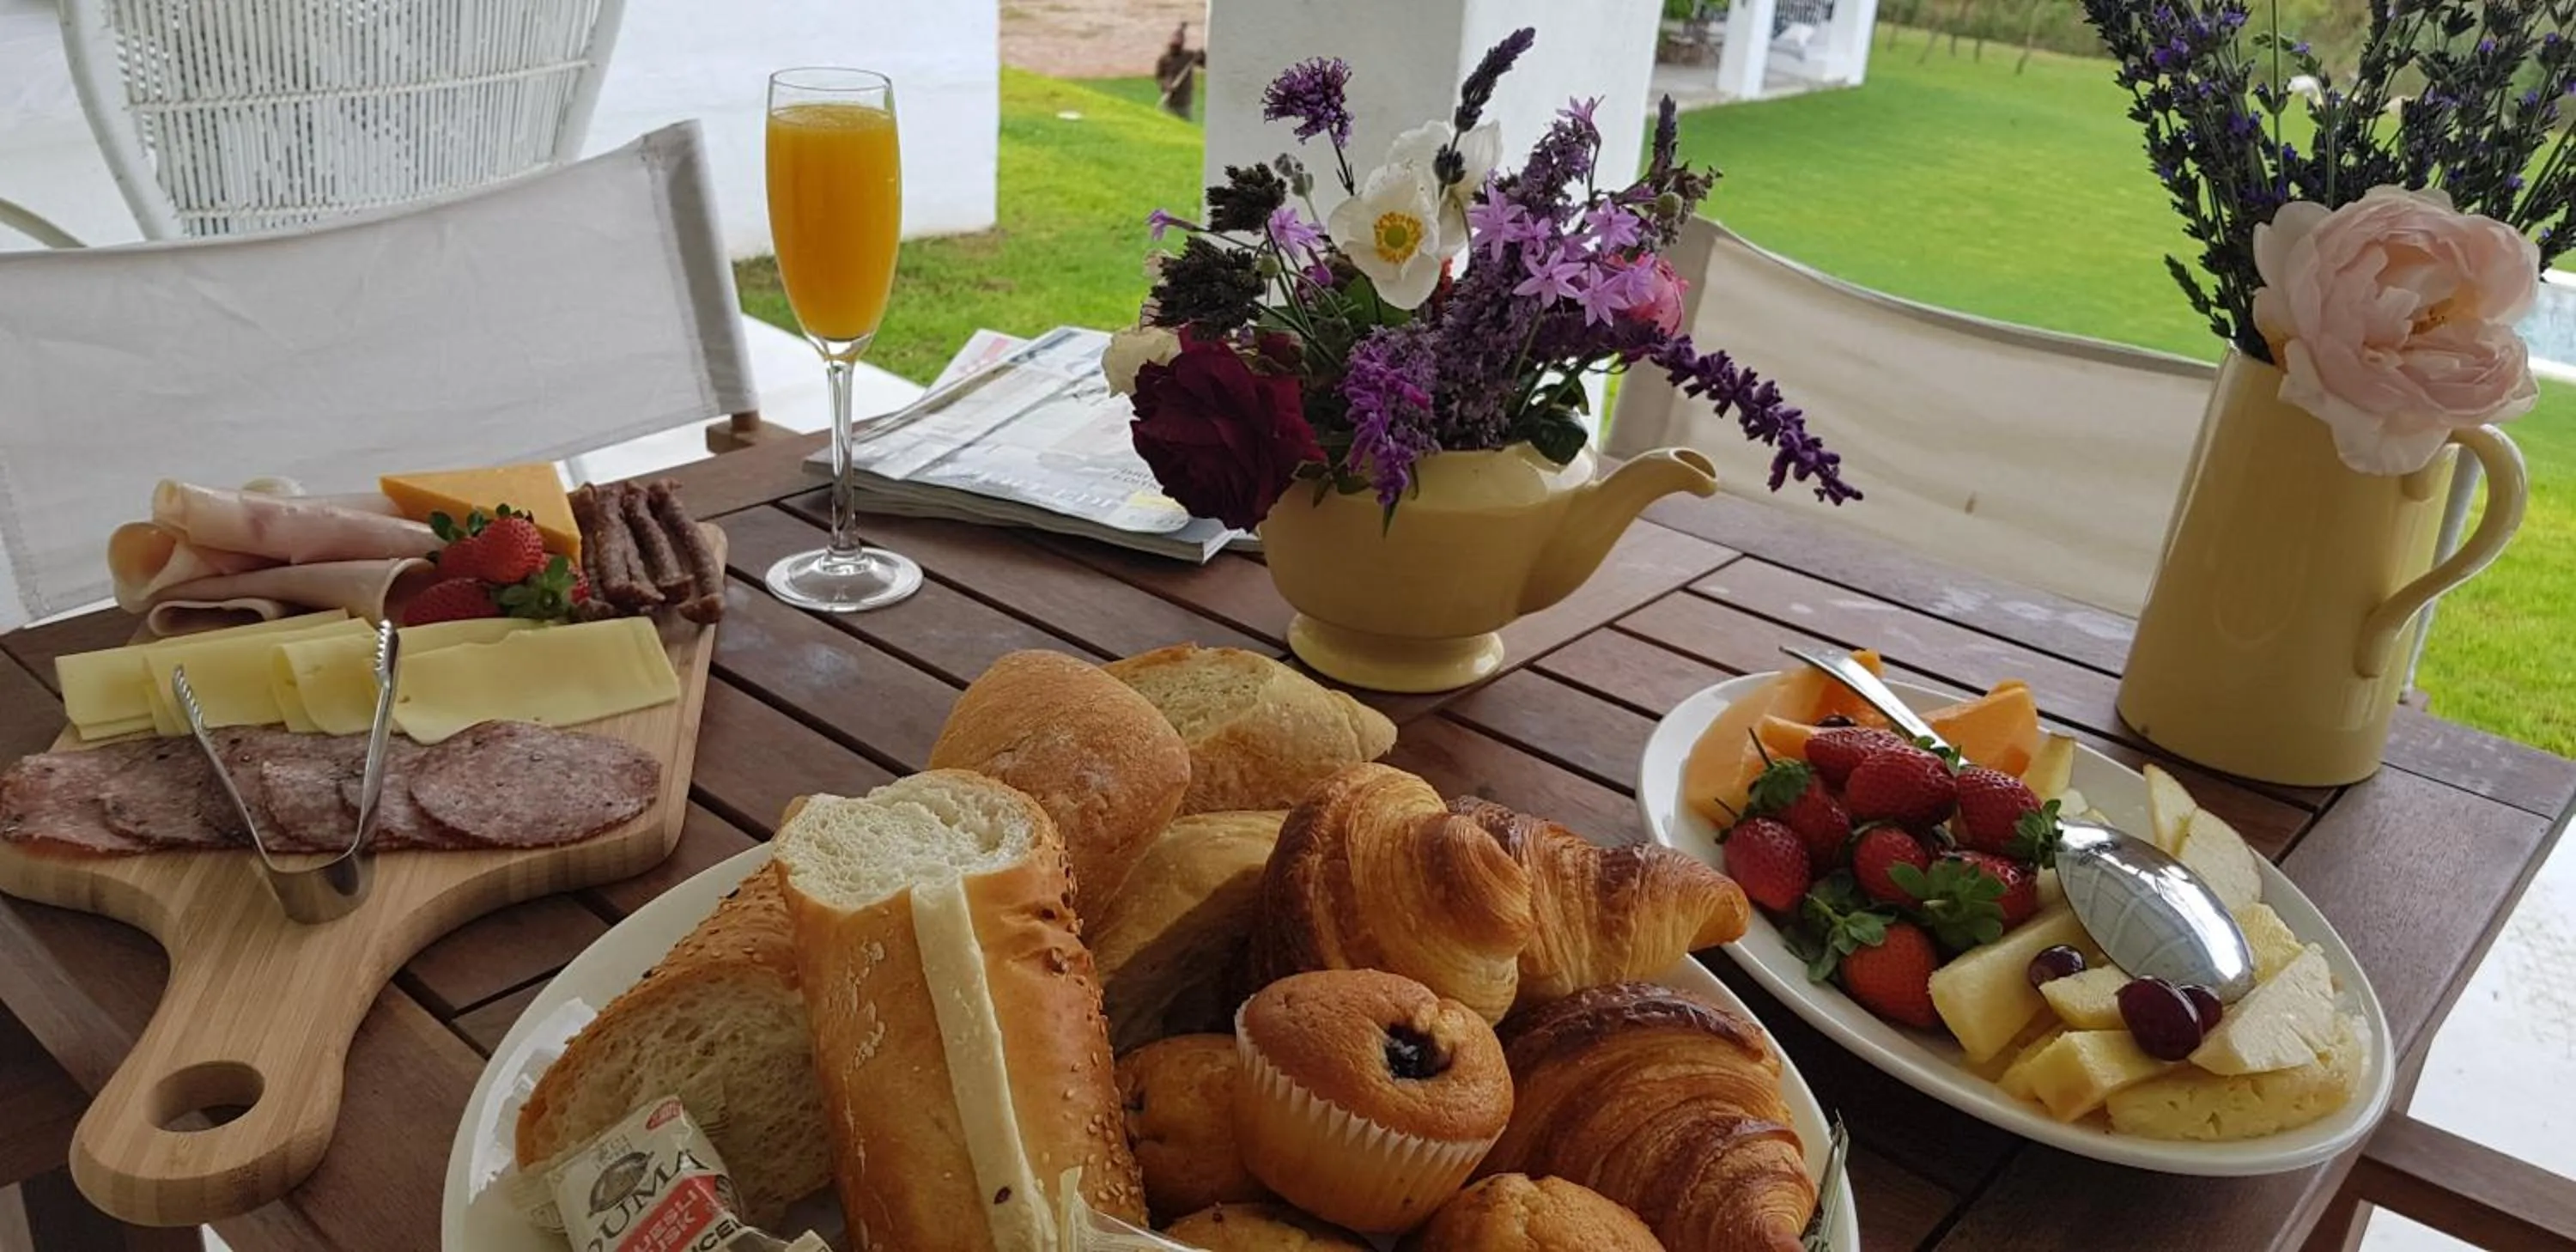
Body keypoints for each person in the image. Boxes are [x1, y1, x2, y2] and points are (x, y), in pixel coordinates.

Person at [1154, 22, 1205, 120]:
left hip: (1184, 101)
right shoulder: (1164, 59)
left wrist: (1202, 56)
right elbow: (1159, 77)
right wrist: (1166, 85)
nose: (1176, 42)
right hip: (1170, 101)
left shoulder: (1188, 56)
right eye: (1174, 39)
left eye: (1179, 40)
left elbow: (1205, 64)